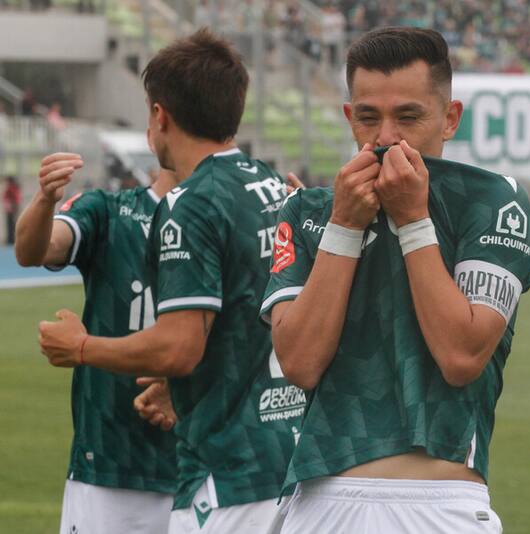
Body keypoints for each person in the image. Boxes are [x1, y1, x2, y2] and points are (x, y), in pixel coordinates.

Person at [261, 27, 530, 533]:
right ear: (349, 118)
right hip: (324, 499)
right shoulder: (306, 212)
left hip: (441, 503)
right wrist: (343, 227)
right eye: (368, 116)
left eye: (408, 116)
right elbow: (299, 362)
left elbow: (461, 356)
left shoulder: (493, 202)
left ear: (449, 118)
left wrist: (414, 221)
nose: (386, 137)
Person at [37, 29, 303, 534]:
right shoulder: (271, 185)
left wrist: (83, 347)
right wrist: (182, 387)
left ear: (160, 116)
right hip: (284, 462)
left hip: (226, 476)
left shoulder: (192, 203)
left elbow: (179, 349)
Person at [15, 151, 179, 533]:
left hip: (207, 473)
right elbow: (33, 250)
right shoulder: (109, 211)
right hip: (110, 470)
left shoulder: (231, 215)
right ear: (158, 126)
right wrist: (44, 199)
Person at [3, 175, 21, 244]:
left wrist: (12, 206)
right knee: (12, 224)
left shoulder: (11, 188)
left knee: (11, 224)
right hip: (12, 208)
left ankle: (11, 239)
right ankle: (11, 239)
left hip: (12, 208)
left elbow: (14, 198)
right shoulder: (14, 187)